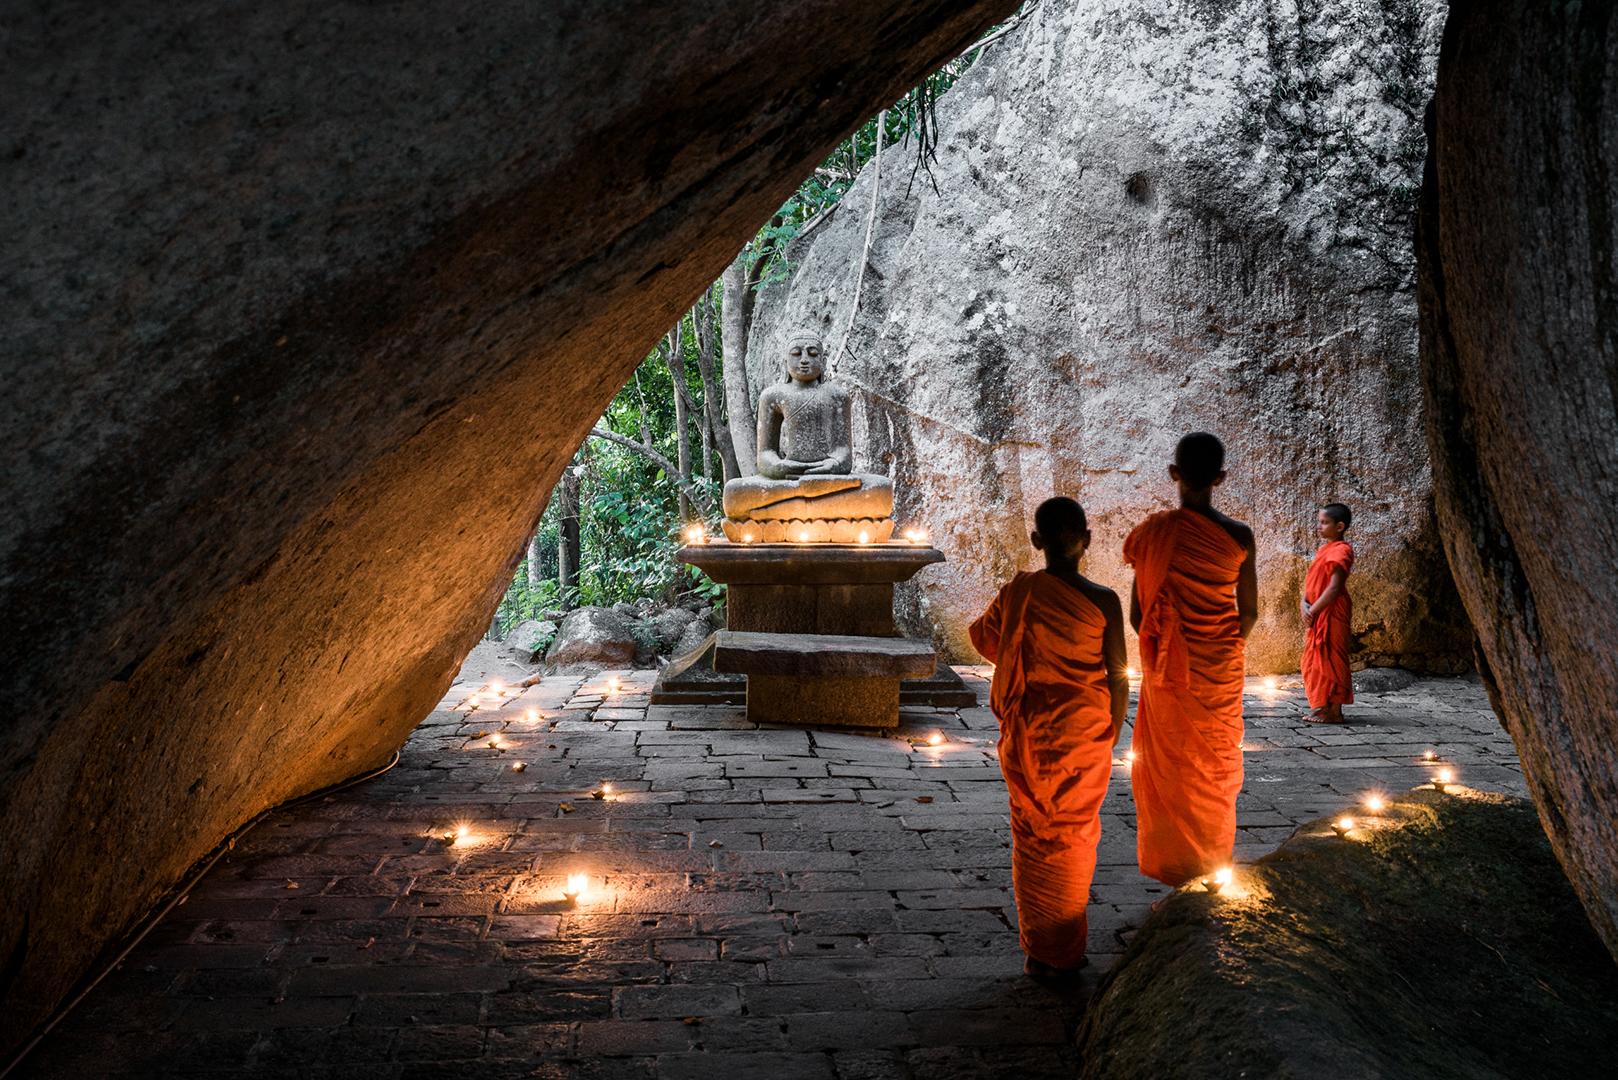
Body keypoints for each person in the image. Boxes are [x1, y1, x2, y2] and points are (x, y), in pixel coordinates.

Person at [969, 497, 1128, 982]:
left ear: (1036, 541)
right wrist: (1112, 730)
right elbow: (1118, 675)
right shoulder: (1105, 600)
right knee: (1073, 836)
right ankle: (1062, 947)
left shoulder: (1020, 592)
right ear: (1088, 539)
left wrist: (1028, 658)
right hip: (1084, 731)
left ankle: (1044, 950)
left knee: (1036, 836)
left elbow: (986, 639)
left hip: (1032, 731)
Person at [1124, 433, 1257, 890]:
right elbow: (1250, 611)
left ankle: (1179, 875)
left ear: (1173, 474)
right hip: (1219, 667)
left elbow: (1139, 614)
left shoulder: (1151, 534)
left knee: (1173, 772)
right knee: (1214, 771)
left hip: (1169, 671)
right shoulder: (1239, 536)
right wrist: (1219, 649)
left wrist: (1168, 649)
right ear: (1221, 478)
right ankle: (1210, 870)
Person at [1301, 503, 1355, 723]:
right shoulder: (1324, 550)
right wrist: (1303, 603)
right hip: (1317, 609)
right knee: (1315, 658)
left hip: (1332, 610)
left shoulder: (1343, 550)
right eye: (1319, 522)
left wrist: (1312, 609)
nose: (1318, 527)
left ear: (1340, 526)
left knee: (1332, 657)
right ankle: (1324, 706)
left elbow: (1334, 587)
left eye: (1324, 523)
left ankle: (1335, 711)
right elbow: (1312, 581)